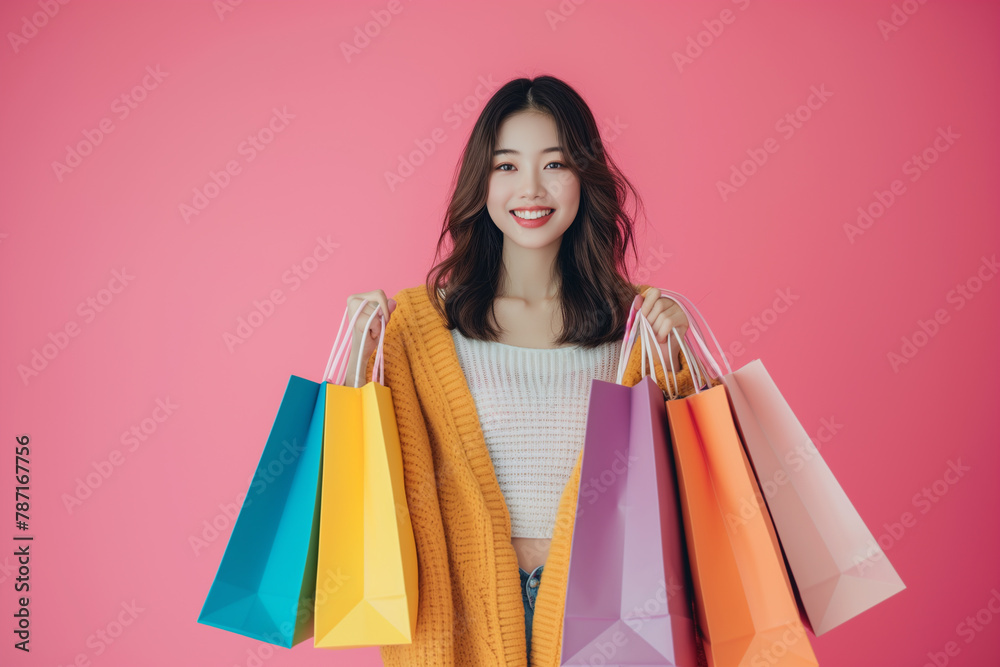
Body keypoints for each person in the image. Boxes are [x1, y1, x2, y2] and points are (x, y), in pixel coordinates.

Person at [337, 75, 711, 667]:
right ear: (479, 182)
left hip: (605, 610)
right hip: (464, 613)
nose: (531, 188)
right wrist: (361, 352)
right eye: (506, 166)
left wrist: (681, 358)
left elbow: (692, 480)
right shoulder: (418, 323)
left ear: (585, 178)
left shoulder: (637, 324)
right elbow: (371, 472)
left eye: (554, 164)